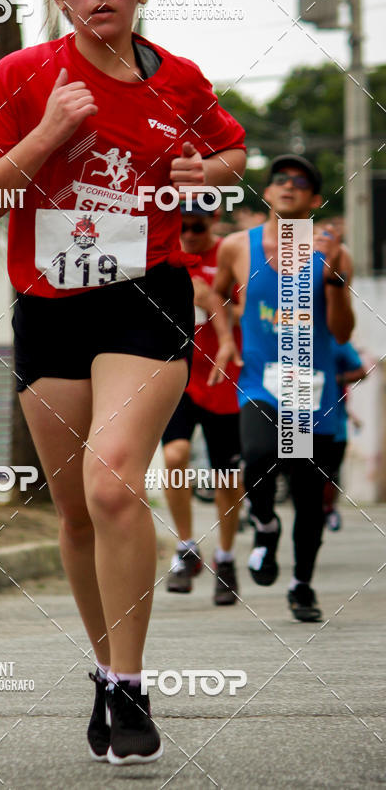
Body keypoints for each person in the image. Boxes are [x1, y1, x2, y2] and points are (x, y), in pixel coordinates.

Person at [0, 0, 245, 764]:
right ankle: (104, 670)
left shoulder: (180, 79)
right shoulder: (19, 75)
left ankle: (129, 682)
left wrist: (205, 170)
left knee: (114, 484)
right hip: (48, 306)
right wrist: (48, 134)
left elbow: (231, 152)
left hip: (142, 300)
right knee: (76, 511)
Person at [215, 154, 355, 623]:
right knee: (255, 456)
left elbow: (342, 332)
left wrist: (334, 276)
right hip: (259, 382)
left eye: (300, 181)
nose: (287, 185)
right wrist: (223, 340)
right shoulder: (237, 247)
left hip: (308, 390)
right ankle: (265, 526)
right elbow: (217, 291)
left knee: (307, 492)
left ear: (314, 200)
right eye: (279, 179)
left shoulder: (333, 254)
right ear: (268, 193)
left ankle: (302, 586)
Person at [162, 199, 244, 605]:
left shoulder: (230, 252)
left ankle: (225, 558)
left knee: (227, 476)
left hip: (223, 378)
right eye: (183, 225)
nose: (190, 233)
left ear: (213, 219)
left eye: (197, 225)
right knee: (174, 457)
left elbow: (254, 310)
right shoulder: (164, 252)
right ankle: (186, 547)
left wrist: (214, 302)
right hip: (178, 374)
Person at [323, 337, 366, 531]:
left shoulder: (336, 340)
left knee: (329, 473)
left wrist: (336, 379)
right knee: (301, 475)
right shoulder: (291, 337)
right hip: (300, 424)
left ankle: (328, 508)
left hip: (334, 427)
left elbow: (362, 371)